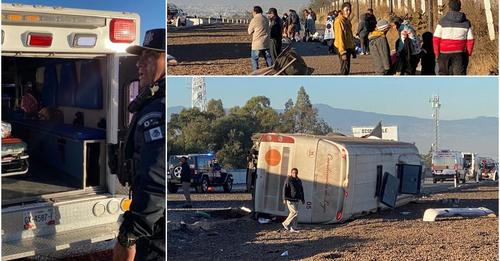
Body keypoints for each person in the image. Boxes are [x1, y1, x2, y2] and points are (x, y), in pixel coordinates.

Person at [113, 28, 166, 261]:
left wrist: (132, 231)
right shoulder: (153, 102)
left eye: (150, 57)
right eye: (140, 57)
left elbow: (157, 180)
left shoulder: (158, 111)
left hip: (155, 233)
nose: (139, 64)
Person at [433, 0, 474, 75]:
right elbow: (470, 40)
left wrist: (437, 53)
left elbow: (436, 39)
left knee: (443, 74)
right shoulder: (466, 23)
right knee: (459, 75)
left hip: (443, 53)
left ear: (449, 7)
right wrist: (468, 53)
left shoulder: (442, 21)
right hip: (459, 53)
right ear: (460, 7)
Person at [248, 6, 272, 71]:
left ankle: (256, 73)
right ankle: (271, 70)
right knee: (268, 58)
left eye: (252, 12)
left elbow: (249, 32)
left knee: (255, 59)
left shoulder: (254, 19)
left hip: (257, 43)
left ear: (255, 12)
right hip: (266, 42)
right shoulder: (266, 19)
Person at [334, 2, 356, 75]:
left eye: (349, 10)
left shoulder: (347, 21)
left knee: (347, 68)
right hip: (342, 48)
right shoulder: (339, 21)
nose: (348, 12)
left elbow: (349, 35)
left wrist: (352, 48)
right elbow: (339, 38)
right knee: (344, 68)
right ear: (342, 10)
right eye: (346, 10)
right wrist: (343, 52)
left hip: (347, 47)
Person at [282, 168, 304, 233]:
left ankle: (294, 227)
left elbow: (301, 190)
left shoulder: (299, 180)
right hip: (290, 199)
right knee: (294, 212)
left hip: (297, 199)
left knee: (295, 214)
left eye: (296, 172)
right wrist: (284, 198)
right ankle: (285, 223)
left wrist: (302, 199)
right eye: (293, 172)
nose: (295, 174)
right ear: (291, 173)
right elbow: (284, 189)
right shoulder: (289, 179)